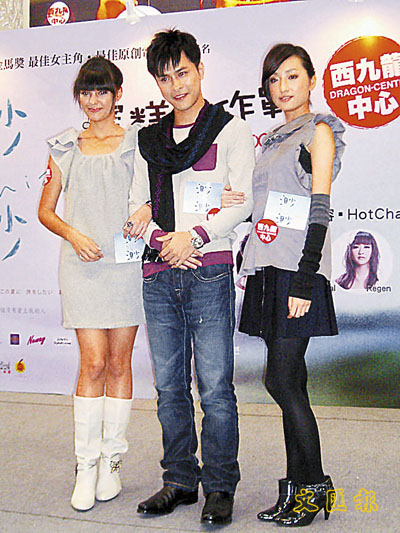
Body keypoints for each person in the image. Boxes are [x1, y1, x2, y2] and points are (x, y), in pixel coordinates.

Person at [125, 29, 255, 525]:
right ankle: (179, 480)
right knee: (169, 388)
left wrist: (194, 237)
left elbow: (241, 202)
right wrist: (164, 241)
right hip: (158, 271)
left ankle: (220, 486)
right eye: (164, 78)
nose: (176, 85)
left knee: (216, 387)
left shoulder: (229, 130)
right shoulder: (148, 140)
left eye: (182, 72)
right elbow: (137, 204)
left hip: (209, 269)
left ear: (200, 70)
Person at [227, 43, 345, 527]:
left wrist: (305, 279)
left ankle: (314, 486)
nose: (282, 87)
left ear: (311, 80)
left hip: (298, 271)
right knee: (290, 380)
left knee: (280, 379)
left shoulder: (320, 131)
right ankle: (297, 489)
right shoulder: (273, 137)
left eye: (292, 76)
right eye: (274, 80)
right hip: (269, 267)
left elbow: (319, 208)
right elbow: (271, 206)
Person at [38, 57, 150, 512]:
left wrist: (146, 210)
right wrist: (74, 235)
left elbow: (151, 197)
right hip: (82, 266)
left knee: (120, 363)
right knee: (94, 362)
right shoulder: (65, 146)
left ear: (118, 95)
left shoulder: (138, 143)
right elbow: (46, 210)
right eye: (86, 92)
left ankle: (112, 462)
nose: (94, 100)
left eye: (102, 91)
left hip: (125, 265)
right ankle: (85, 465)